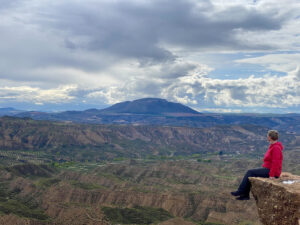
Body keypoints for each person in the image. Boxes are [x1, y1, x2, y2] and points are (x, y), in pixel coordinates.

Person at [231, 130, 283, 200]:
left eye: (267, 136)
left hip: (272, 171)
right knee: (251, 173)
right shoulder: (273, 146)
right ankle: (245, 195)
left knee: (250, 172)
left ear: (269, 137)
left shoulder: (275, 148)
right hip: (268, 169)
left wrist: (272, 175)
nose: (267, 137)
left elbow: (275, 162)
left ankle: (241, 191)